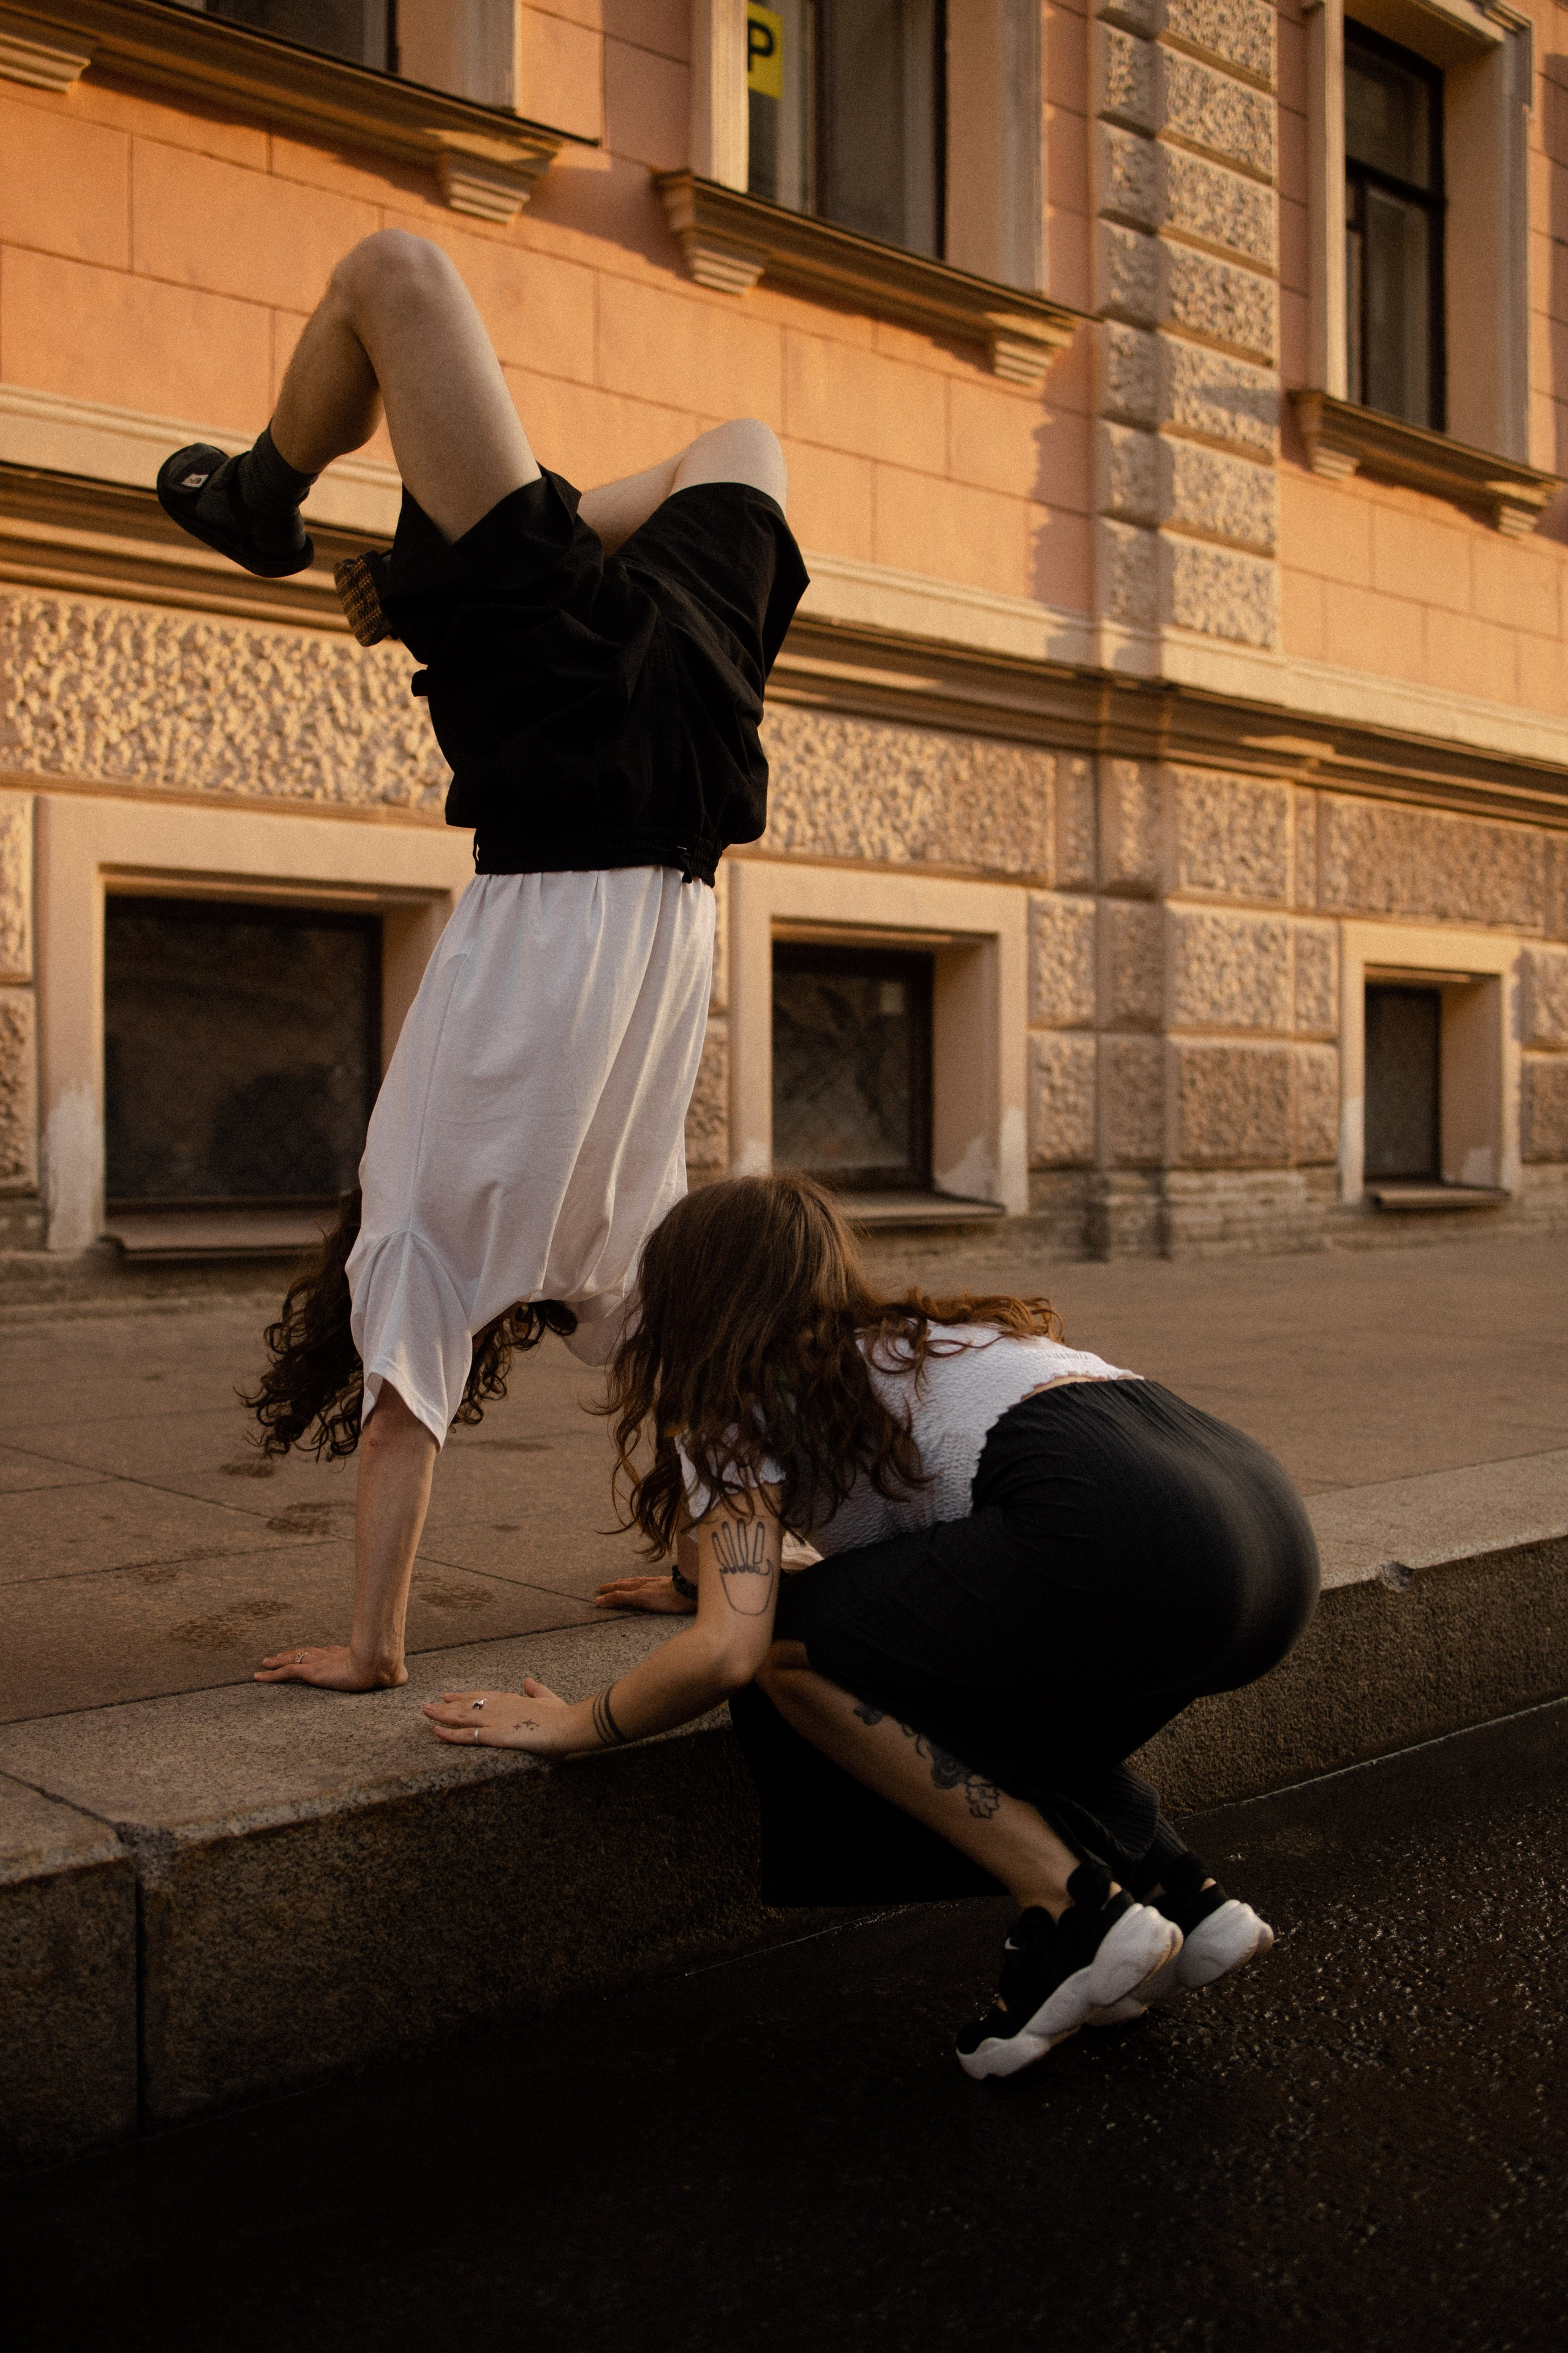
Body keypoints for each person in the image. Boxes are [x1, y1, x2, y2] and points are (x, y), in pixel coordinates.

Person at [154, 229, 807, 1694]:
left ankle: (326, 522)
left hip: (665, 787)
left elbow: (584, 1389)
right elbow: (410, 1412)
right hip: (594, 748)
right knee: (396, 275)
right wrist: (372, 1649)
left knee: (744, 441)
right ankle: (318, 518)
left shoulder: (584, 1257)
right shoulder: (431, 1229)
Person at [421, 1171, 1320, 2080]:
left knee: (787, 1652)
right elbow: (853, 1576)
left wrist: (579, 1722)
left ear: (689, 1299)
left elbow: (733, 1649)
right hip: (1266, 1544)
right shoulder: (925, 1340)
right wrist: (725, 1581)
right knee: (944, 1659)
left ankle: (1074, 1907)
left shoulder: (738, 1396)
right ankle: (1181, 1895)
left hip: (1116, 1540)